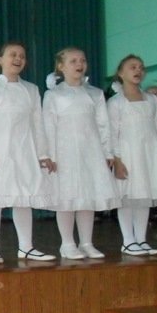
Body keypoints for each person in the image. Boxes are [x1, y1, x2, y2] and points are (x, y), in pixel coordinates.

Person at [0, 41, 56, 264]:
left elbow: (38, 124)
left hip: (24, 150)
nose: (18, 59)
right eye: (13, 55)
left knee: (23, 197)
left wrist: (43, 154)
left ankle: (26, 247)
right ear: (0, 60)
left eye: (22, 56)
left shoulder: (31, 90)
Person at [42, 47, 119, 260]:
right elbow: (48, 126)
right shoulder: (53, 95)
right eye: (73, 61)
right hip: (64, 153)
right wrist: (50, 155)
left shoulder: (95, 94)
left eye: (82, 60)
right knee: (66, 198)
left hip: (90, 151)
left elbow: (103, 125)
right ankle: (67, 244)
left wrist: (108, 152)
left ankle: (86, 242)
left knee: (88, 197)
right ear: (61, 66)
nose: (79, 64)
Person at [107, 55, 157, 256]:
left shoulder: (152, 100)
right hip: (128, 153)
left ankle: (141, 239)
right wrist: (117, 160)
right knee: (128, 196)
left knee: (145, 195)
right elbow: (112, 133)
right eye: (132, 67)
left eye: (141, 67)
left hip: (149, 153)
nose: (138, 70)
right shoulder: (116, 102)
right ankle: (128, 240)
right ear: (121, 73)